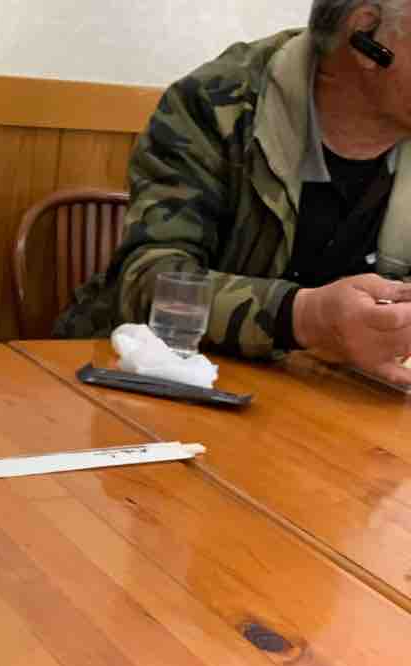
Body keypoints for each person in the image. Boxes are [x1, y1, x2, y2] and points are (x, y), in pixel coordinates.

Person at [55, 0, 411, 388]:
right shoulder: (216, 103)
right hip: (153, 383)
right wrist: (305, 316)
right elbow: (150, 282)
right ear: (367, 34)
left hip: (333, 397)